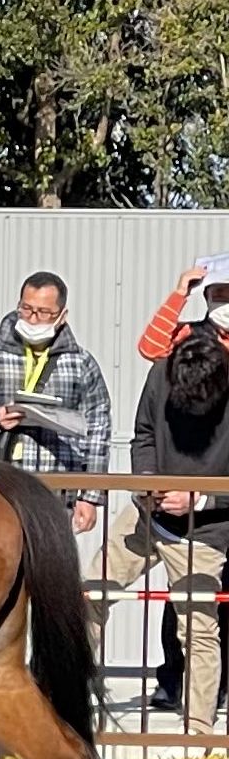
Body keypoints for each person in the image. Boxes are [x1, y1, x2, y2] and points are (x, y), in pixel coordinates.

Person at [85, 334, 229, 735]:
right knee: (88, 593)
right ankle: (67, 702)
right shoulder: (159, 376)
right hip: (147, 516)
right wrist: (145, 482)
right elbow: (144, 434)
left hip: (205, 532)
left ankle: (196, 732)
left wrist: (199, 500)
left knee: (199, 629)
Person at [0, 271, 111, 531]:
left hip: (54, 487)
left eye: (44, 313)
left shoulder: (80, 363)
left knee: (46, 566)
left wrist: (90, 496)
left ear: (62, 315)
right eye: (27, 309)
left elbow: (98, 427)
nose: (33, 318)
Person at [136, 263, 229, 712]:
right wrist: (179, 293)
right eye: (219, 293)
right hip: (167, 513)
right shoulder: (189, 340)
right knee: (182, 610)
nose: (225, 304)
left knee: (207, 614)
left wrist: (205, 497)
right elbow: (151, 349)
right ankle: (174, 683)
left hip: (217, 518)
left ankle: (205, 714)